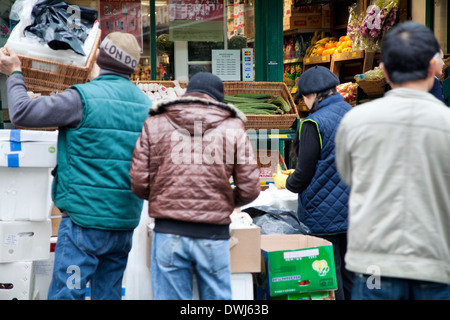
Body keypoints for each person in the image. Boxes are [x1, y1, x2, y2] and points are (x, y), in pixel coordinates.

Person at [0, 32, 151, 300]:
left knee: (68, 294)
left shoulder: (82, 98)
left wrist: (14, 74)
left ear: (99, 58)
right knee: (109, 295)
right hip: (123, 225)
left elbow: (22, 112)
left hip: (84, 225)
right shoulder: (146, 105)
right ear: (133, 66)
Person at [335, 21, 450, 300]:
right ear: (434, 66)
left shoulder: (355, 121)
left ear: (384, 70)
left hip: (375, 263)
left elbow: (349, 177)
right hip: (435, 264)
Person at [129, 72, 261, 300]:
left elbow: (139, 180)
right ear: (218, 99)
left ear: (188, 93)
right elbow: (250, 187)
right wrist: (227, 201)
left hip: (168, 232)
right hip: (214, 234)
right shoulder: (233, 126)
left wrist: (162, 198)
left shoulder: (156, 121)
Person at [273, 65, 354, 300]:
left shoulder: (313, 123)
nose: (304, 104)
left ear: (313, 96)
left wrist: (286, 183)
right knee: (350, 276)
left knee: (330, 278)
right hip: (355, 211)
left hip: (323, 214)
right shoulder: (354, 114)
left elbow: (304, 173)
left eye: (304, 99)